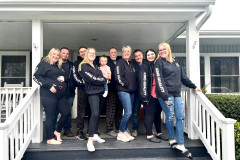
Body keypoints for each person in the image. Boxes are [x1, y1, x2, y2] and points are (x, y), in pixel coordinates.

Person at [154, 43, 201, 159]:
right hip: (166, 94)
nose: (162, 51)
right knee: (170, 116)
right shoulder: (158, 63)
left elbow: (183, 78)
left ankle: (180, 144)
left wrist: (194, 87)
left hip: (176, 93)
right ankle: (172, 139)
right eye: (160, 50)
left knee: (181, 116)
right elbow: (159, 80)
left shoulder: (176, 63)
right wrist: (164, 96)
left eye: (164, 49)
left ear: (168, 49)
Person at [33, 48, 70, 145]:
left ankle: (57, 131)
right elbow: (36, 76)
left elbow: (63, 77)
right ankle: (50, 139)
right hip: (48, 95)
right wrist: (49, 85)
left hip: (60, 96)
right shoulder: (44, 64)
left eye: (58, 55)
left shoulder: (58, 66)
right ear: (50, 54)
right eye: (54, 54)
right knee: (51, 116)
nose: (56, 56)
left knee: (66, 113)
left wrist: (64, 78)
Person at [78, 48, 107, 152]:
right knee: (94, 114)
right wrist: (103, 80)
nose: (92, 55)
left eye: (94, 53)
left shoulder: (95, 66)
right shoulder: (83, 65)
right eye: (90, 53)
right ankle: (90, 141)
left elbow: (102, 77)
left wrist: (103, 79)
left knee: (97, 114)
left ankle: (94, 134)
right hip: (92, 93)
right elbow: (92, 79)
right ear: (86, 54)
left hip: (100, 93)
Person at [139, 49, 169, 143]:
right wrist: (145, 97)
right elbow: (143, 82)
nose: (151, 56)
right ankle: (149, 135)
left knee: (157, 114)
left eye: (152, 54)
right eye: (148, 55)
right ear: (146, 56)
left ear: (155, 55)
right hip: (149, 95)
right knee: (149, 115)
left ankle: (159, 133)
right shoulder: (145, 66)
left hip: (158, 95)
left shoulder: (157, 65)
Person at [52, 47, 76, 137]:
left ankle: (67, 129)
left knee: (68, 112)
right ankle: (53, 130)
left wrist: (65, 79)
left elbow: (74, 78)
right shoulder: (55, 64)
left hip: (69, 92)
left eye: (67, 53)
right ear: (60, 54)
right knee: (55, 111)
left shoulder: (72, 65)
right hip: (57, 92)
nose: (65, 54)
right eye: (63, 53)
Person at [115, 45, 136, 142]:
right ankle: (120, 133)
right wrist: (127, 85)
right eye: (125, 51)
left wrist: (132, 87)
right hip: (123, 90)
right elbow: (118, 77)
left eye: (128, 51)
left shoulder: (130, 64)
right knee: (128, 112)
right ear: (122, 52)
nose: (126, 53)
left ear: (130, 53)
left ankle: (125, 132)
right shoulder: (120, 62)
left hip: (131, 91)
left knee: (128, 112)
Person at [105, 47, 123, 137]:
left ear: (116, 54)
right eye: (111, 52)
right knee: (111, 110)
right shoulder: (106, 64)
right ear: (109, 54)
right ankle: (109, 129)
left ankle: (118, 128)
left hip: (120, 90)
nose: (113, 54)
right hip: (111, 90)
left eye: (114, 52)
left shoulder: (120, 63)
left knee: (119, 110)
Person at [73, 46, 88, 140]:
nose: (83, 53)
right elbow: (75, 76)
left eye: (84, 51)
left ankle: (91, 131)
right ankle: (79, 131)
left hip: (92, 90)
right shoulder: (76, 63)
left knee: (91, 111)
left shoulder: (92, 62)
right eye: (81, 52)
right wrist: (82, 83)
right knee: (81, 111)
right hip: (82, 89)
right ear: (79, 54)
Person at [131, 49, 144, 137]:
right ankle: (135, 129)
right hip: (136, 93)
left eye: (139, 55)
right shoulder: (132, 66)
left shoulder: (147, 65)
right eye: (136, 56)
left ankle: (150, 130)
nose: (138, 57)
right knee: (135, 111)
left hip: (147, 93)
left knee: (149, 112)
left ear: (142, 55)